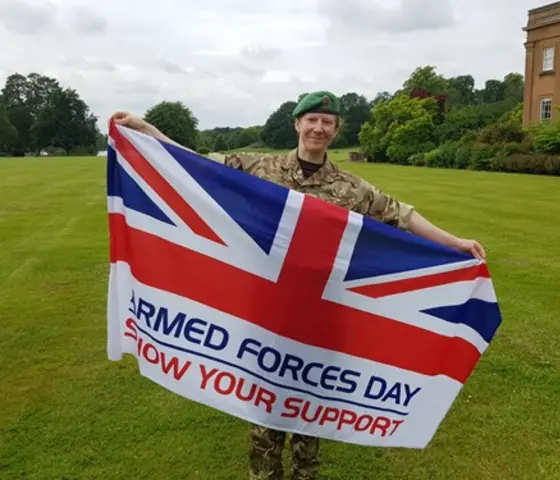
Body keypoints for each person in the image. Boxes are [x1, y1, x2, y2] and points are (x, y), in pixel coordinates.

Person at [111, 91, 486, 480]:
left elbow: (401, 215)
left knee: (311, 403)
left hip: (321, 314)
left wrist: (454, 243)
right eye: (312, 120)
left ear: (336, 130)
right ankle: (265, 474)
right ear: (297, 123)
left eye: (327, 122)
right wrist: (146, 130)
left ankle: (305, 473)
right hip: (269, 310)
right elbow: (197, 165)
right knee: (265, 404)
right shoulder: (260, 168)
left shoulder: (350, 188)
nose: (318, 128)